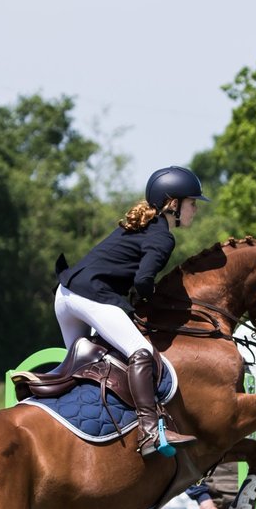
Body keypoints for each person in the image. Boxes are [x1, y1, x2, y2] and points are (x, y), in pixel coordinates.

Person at [53, 166, 208, 458]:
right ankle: (150, 431)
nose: (195, 210)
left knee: (83, 363)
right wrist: (152, 302)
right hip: (89, 297)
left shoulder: (140, 224)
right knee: (141, 352)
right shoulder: (163, 237)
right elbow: (142, 281)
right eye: (192, 203)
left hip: (65, 295)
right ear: (173, 204)